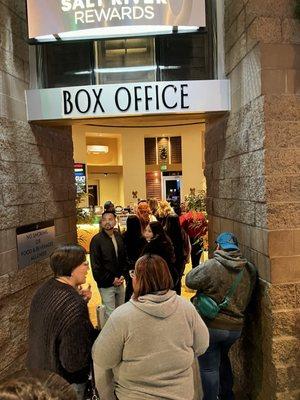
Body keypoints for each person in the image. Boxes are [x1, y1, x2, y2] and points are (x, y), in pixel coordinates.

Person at [92, 254, 209, 400]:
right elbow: (202, 345)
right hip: (181, 393)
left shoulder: (122, 316)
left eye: (134, 274)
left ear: (139, 280)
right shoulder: (186, 307)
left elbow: (103, 359)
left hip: (134, 394)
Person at [185, 232, 257, 400]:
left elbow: (189, 280)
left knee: (209, 367)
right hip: (235, 329)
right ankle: (227, 395)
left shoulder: (212, 265)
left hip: (212, 326)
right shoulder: (249, 269)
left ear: (218, 246)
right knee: (223, 358)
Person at [26, 245, 97, 400]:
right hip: (65, 384)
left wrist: (80, 302)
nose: (88, 268)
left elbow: (57, 324)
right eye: (84, 263)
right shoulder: (73, 303)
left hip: (39, 375)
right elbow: (74, 362)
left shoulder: (44, 289)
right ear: (72, 268)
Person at [90, 211, 128, 320]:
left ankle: (121, 336)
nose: (107, 222)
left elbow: (123, 258)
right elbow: (96, 266)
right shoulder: (96, 240)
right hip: (106, 284)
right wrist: (111, 280)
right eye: (104, 220)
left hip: (120, 281)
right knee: (110, 314)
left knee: (121, 311)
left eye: (110, 219)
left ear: (115, 221)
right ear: (101, 223)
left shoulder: (118, 236)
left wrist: (122, 275)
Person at [142, 221, 177, 286]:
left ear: (156, 233)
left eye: (149, 231)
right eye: (145, 230)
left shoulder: (151, 246)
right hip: (168, 278)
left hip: (155, 279)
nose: (145, 234)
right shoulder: (166, 242)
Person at [122, 214, 147, 301]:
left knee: (129, 287)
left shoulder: (123, 237)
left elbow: (122, 253)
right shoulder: (142, 239)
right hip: (140, 266)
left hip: (128, 267)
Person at [165, 214, 191, 295]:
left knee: (167, 281)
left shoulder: (164, 232)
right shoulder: (182, 232)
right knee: (178, 280)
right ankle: (177, 297)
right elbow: (187, 246)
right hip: (180, 260)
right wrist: (187, 258)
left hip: (167, 261)